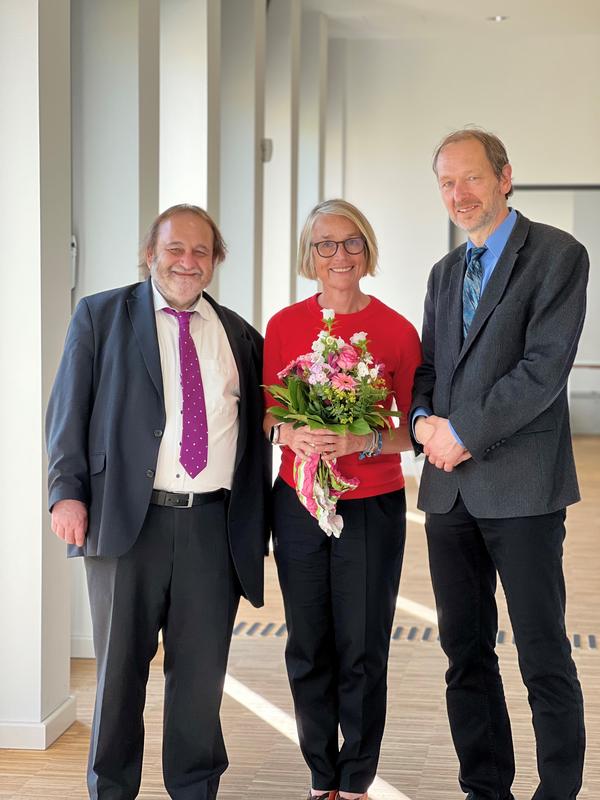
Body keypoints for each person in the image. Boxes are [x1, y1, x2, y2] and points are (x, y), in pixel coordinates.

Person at [46, 204, 271, 800]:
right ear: (151, 252)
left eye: (201, 251)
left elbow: (256, 436)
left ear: (216, 261)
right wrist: (65, 494)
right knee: (119, 674)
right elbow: (68, 413)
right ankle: (112, 789)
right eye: (175, 248)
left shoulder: (240, 337)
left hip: (212, 527)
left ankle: (194, 787)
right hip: (127, 522)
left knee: (199, 678)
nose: (187, 261)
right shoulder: (101, 316)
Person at [411, 128, 587, 800]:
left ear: (505, 177)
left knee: (543, 654)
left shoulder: (558, 256)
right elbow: (428, 367)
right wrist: (423, 421)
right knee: (465, 654)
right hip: (448, 495)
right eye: (447, 182)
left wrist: (463, 432)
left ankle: (557, 793)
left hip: (522, 489)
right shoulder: (443, 272)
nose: (459, 193)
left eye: (472, 178)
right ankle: (486, 787)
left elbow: (542, 370)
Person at [263, 199, 422, 800]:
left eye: (351, 242)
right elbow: (268, 416)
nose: (339, 255)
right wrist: (290, 432)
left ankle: (354, 778)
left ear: (368, 250)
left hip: (371, 504)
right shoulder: (283, 326)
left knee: (362, 643)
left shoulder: (398, 332)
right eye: (325, 244)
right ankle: (318, 775)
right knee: (308, 642)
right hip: (299, 500)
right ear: (310, 255)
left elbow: (414, 428)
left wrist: (362, 438)